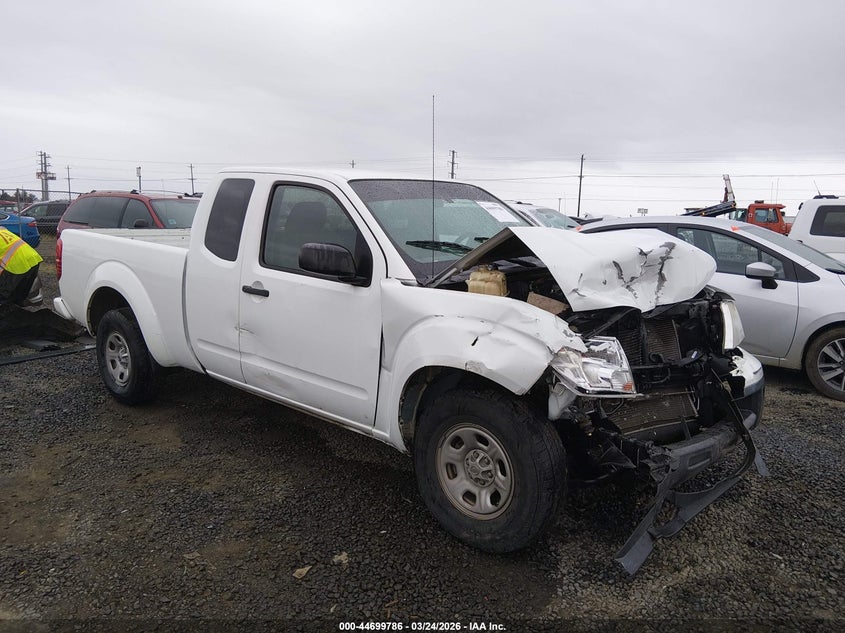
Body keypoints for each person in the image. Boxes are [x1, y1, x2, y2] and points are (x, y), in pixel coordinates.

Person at [0, 227, 43, 305]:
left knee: (4, 296)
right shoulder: (2, 229)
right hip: (33, 258)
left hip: (17, 265)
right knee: (20, 294)